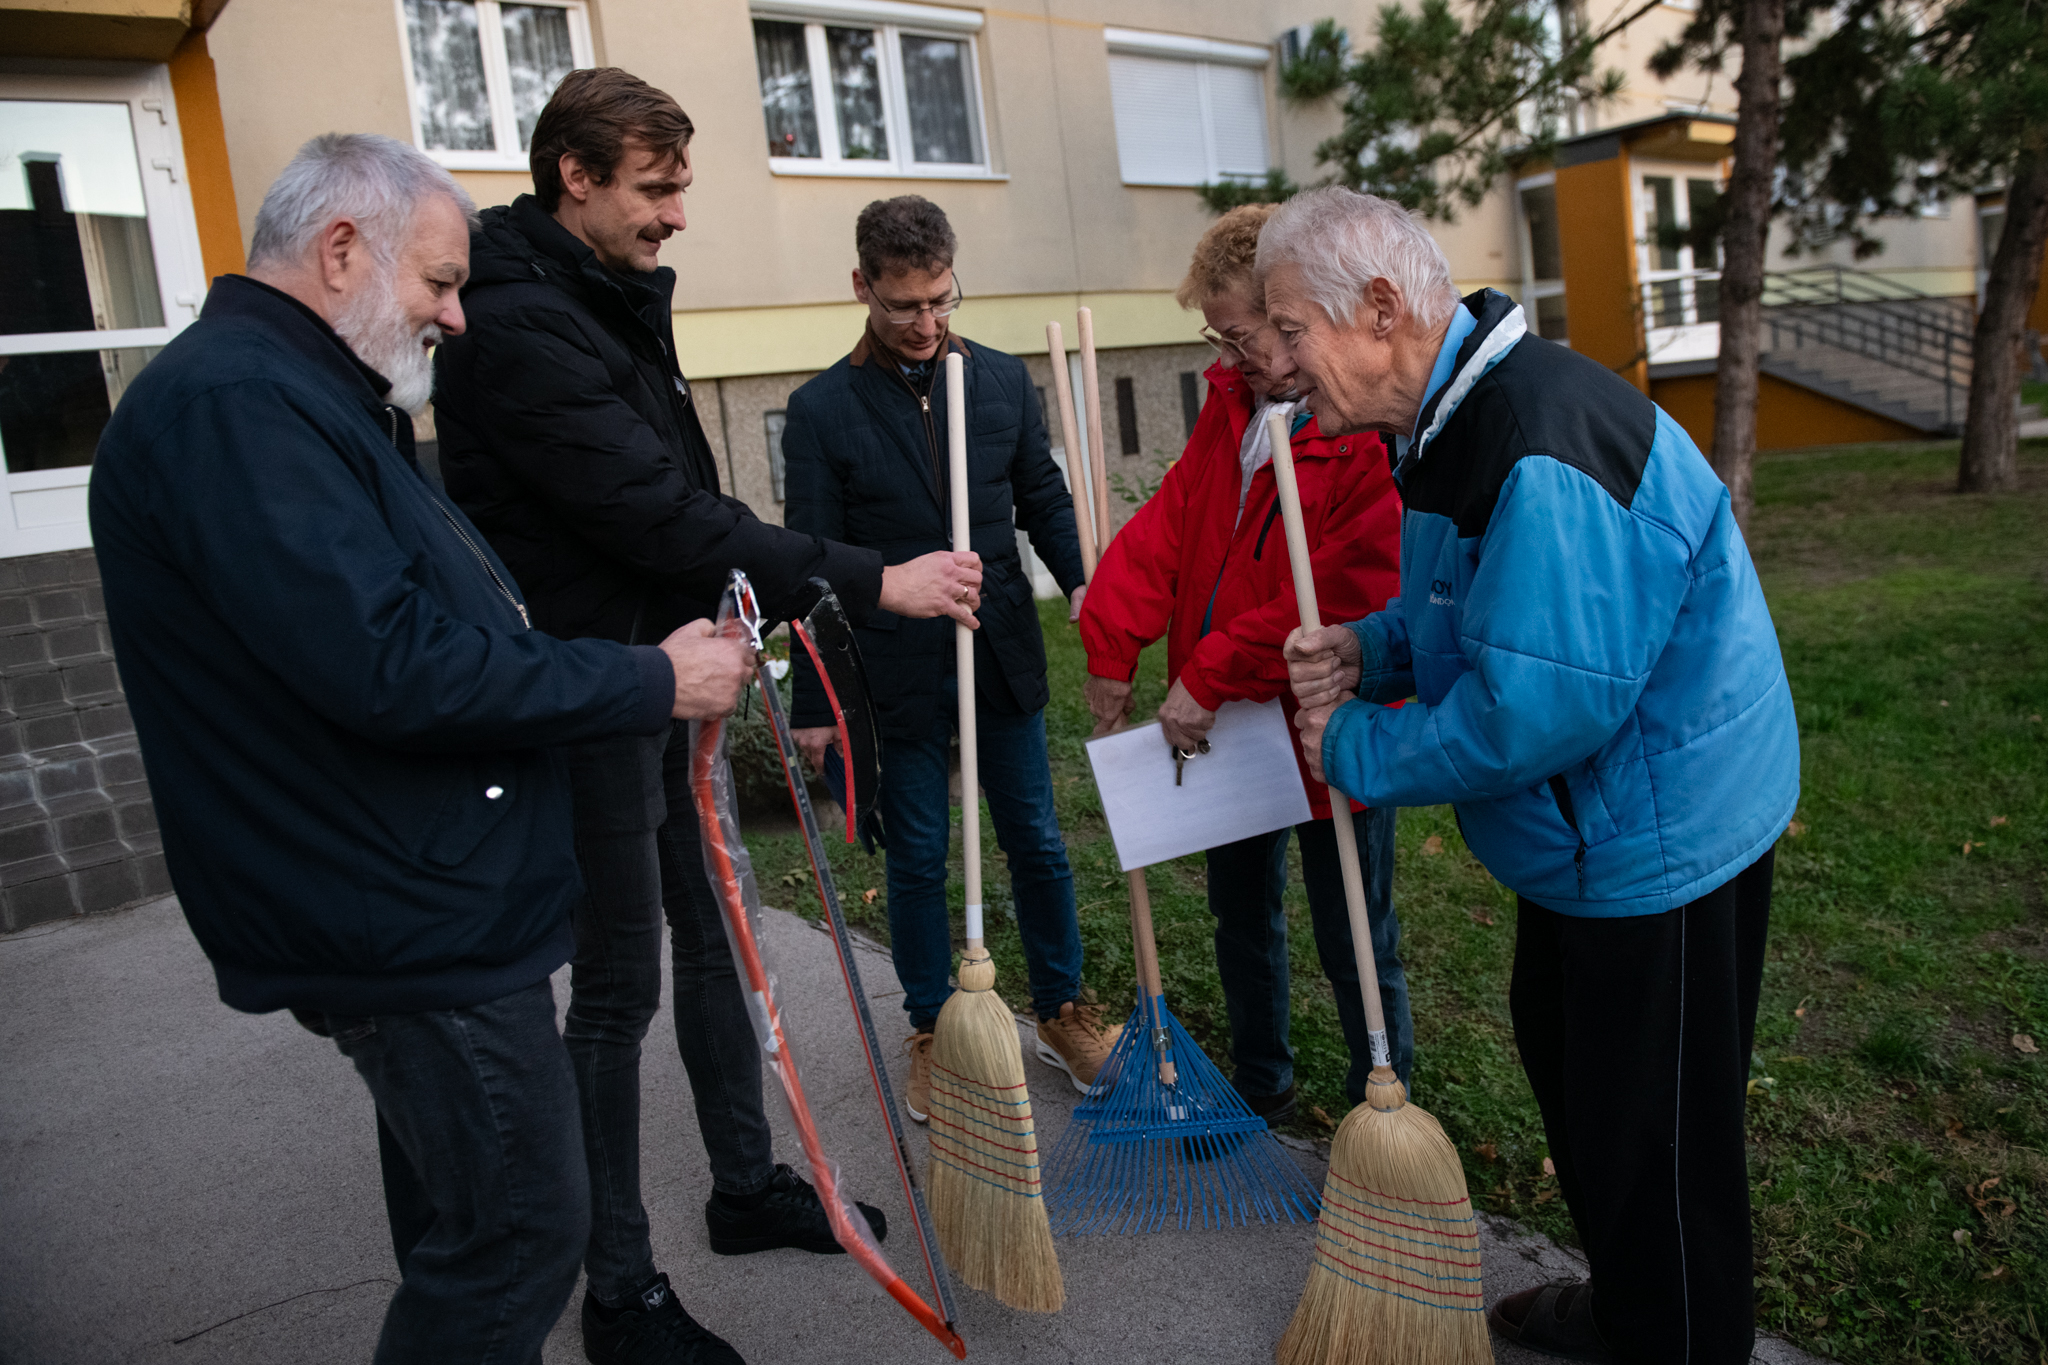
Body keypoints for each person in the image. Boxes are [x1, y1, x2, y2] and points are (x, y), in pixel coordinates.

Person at [88, 133, 760, 1365]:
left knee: (462, 1222)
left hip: (407, 884)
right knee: (518, 1234)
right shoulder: (242, 406)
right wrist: (649, 680)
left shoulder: (302, 391)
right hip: (395, 907)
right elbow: (388, 663)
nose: (457, 316)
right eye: (441, 283)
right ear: (342, 248)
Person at [431, 70, 979, 1365]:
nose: (678, 213)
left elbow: (679, 495)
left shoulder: (599, 291)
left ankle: (744, 1185)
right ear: (575, 175)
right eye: (656, 187)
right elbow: (654, 513)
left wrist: (729, 612)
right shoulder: (518, 325)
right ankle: (617, 1289)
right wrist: (873, 578)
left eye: (680, 186)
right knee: (616, 987)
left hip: (674, 675)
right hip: (598, 696)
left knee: (720, 936)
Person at [1266, 187, 1799, 1365]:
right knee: (1581, 1078)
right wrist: (1372, 648)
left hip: (1655, 833)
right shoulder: (1452, 419)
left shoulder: (1533, 443)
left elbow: (1536, 709)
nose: (1279, 366)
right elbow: (1485, 609)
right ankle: (1630, 1306)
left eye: (1291, 331)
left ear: (1378, 309)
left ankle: (1673, 1334)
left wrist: (1352, 747)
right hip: (1594, 830)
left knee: (1655, 1143)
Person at [780, 195, 1115, 1123]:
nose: (926, 323)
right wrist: (815, 701)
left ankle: (1060, 1009)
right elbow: (810, 562)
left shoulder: (1000, 381)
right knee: (920, 853)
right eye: (903, 306)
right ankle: (932, 1025)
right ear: (862, 287)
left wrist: (1085, 585)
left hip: (998, 645)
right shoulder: (820, 412)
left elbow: (1042, 497)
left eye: (940, 299)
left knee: (1036, 837)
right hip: (896, 667)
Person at [1076, 204, 1411, 1123]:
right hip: (1229, 723)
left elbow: (1340, 588)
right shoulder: (1234, 409)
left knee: (1354, 927)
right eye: (1218, 338)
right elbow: (1169, 530)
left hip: (1324, 717)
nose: (1231, 356)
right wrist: (1112, 643)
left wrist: (1210, 670)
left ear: (1292, 312)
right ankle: (1262, 1085)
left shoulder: (1361, 425)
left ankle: (1383, 1108)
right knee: (1242, 917)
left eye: (1243, 335)